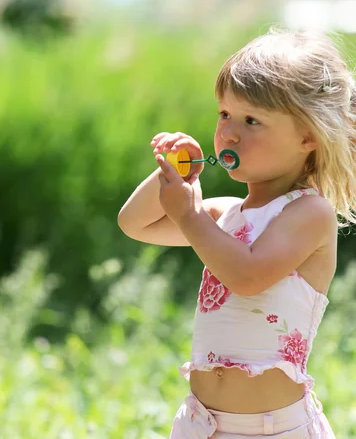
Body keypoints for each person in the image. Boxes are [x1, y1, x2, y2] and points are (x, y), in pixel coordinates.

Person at [118, 28, 356, 438]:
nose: (229, 133)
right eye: (224, 114)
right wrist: (172, 176)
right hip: (202, 424)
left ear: (308, 137)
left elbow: (247, 277)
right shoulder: (225, 214)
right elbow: (134, 224)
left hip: (274, 429)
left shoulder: (308, 213)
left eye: (252, 121)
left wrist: (191, 217)